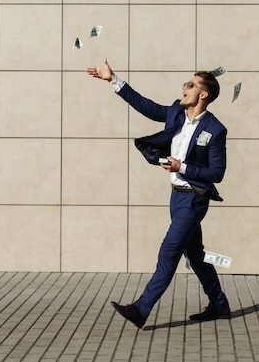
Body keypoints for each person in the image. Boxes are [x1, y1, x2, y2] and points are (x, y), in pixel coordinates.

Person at [86, 58, 230, 329]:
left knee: (169, 251)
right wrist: (113, 80)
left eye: (190, 84)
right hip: (176, 196)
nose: (184, 87)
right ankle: (219, 303)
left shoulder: (215, 130)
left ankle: (141, 309)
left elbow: (217, 173)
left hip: (195, 198)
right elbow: (147, 106)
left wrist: (182, 166)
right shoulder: (176, 112)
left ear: (203, 94)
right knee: (196, 255)